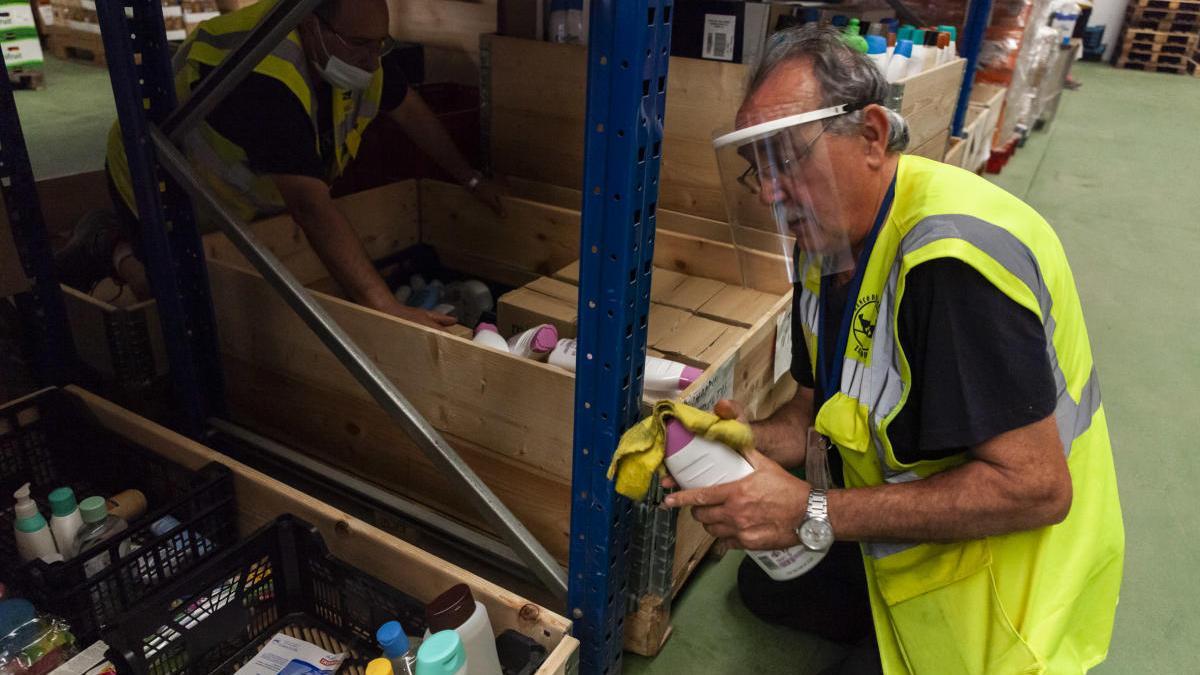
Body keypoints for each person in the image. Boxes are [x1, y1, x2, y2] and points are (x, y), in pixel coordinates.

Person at [664, 26, 1124, 674]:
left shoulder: (953, 264)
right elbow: (815, 409)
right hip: (920, 534)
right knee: (764, 586)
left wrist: (810, 508)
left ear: (873, 135)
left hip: (1003, 598)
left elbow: (1039, 490)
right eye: (758, 167)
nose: (769, 191)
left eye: (788, 159)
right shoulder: (828, 245)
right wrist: (752, 439)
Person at [85, 0, 501, 329]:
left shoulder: (356, 50)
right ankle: (110, 247)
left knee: (229, 288)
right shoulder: (265, 80)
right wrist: (386, 307)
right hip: (156, 183)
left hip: (234, 202)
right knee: (173, 303)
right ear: (311, 26)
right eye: (360, 44)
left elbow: (408, 109)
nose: (372, 61)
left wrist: (471, 179)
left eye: (380, 44)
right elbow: (309, 206)